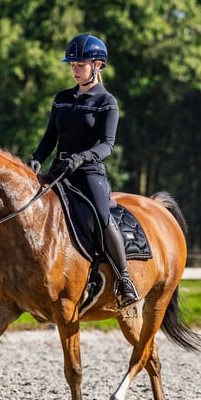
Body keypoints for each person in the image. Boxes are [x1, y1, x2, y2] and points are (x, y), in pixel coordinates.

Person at [27, 33, 140, 308]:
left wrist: (81, 158)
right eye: (72, 65)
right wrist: (37, 158)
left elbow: (107, 145)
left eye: (81, 64)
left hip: (89, 172)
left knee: (101, 217)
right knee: (27, 210)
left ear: (97, 65)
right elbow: (49, 137)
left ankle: (124, 280)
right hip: (59, 169)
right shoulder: (62, 98)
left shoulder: (106, 102)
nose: (75, 69)